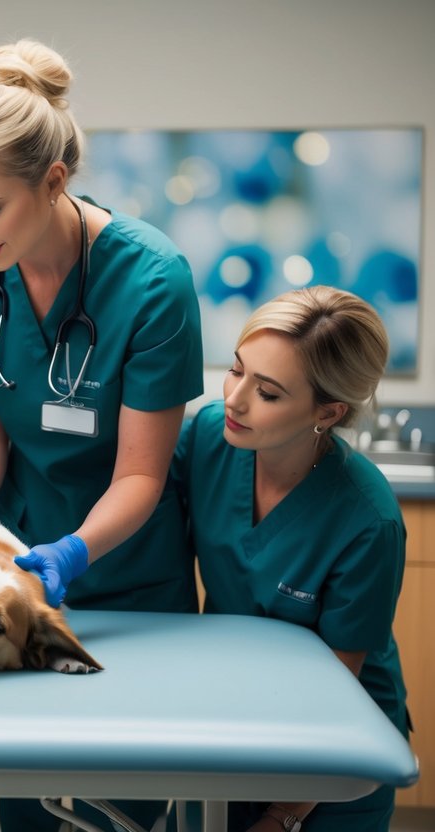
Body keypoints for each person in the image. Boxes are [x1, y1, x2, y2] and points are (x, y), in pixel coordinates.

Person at [0, 39, 204, 832]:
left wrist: (74, 553)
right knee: (28, 800)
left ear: (52, 182)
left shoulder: (151, 281)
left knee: (124, 802)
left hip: (128, 581)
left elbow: (140, 478)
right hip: (7, 585)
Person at [172, 286, 409, 832]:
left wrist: (283, 816)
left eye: (269, 393)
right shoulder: (211, 437)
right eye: (236, 369)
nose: (234, 398)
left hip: (336, 761)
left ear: (327, 411)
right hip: (232, 724)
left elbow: (340, 694)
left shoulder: (367, 520)